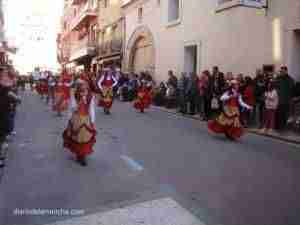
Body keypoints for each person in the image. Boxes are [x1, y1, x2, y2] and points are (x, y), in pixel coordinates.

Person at [63, 78, 96, 167]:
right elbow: (72, 108)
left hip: (85, 119)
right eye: (81, 86)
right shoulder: (74, 95)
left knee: (85, 138)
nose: (84, 88)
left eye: (85, 86)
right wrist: (69, 119)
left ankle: (82, 156)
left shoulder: (90, 96)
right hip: (76, 118)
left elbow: (91, 109)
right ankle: (79, 155)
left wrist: (92, 121)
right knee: (77, 138)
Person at [0, 68, 21, 168]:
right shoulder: (6, 86)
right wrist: (17, 99)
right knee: (3, 138)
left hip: (5, 112)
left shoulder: (6, 86)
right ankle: (1, 159)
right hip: (4, 114)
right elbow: (12, 94)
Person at [276, 66, 295, 130]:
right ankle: (278, 127)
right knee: (278, 114)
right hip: (278, 100)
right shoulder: (278, 78)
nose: (281, 72)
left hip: (286, 100)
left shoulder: (290, 79)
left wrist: (290, 98)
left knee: (284, 114)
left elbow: (292, 89)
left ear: (286, 71)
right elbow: (275, 86)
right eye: (281, 71)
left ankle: (283, 127)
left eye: (283, 71)